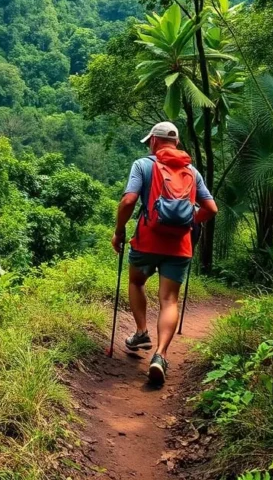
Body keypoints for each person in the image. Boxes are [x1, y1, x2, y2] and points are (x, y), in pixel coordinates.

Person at [111, 121, 217, 385]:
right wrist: (191, 221)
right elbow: (211, 208)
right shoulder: (192, 171)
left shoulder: (143, 165)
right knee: (169, 300)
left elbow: (128, 200)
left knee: (136, 282)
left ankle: (141, 331)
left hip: (146, 242)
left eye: (150, 141)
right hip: (179, 247)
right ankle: (160, 355)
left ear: (154, 142)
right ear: (177, 143)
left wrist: (119, 230)